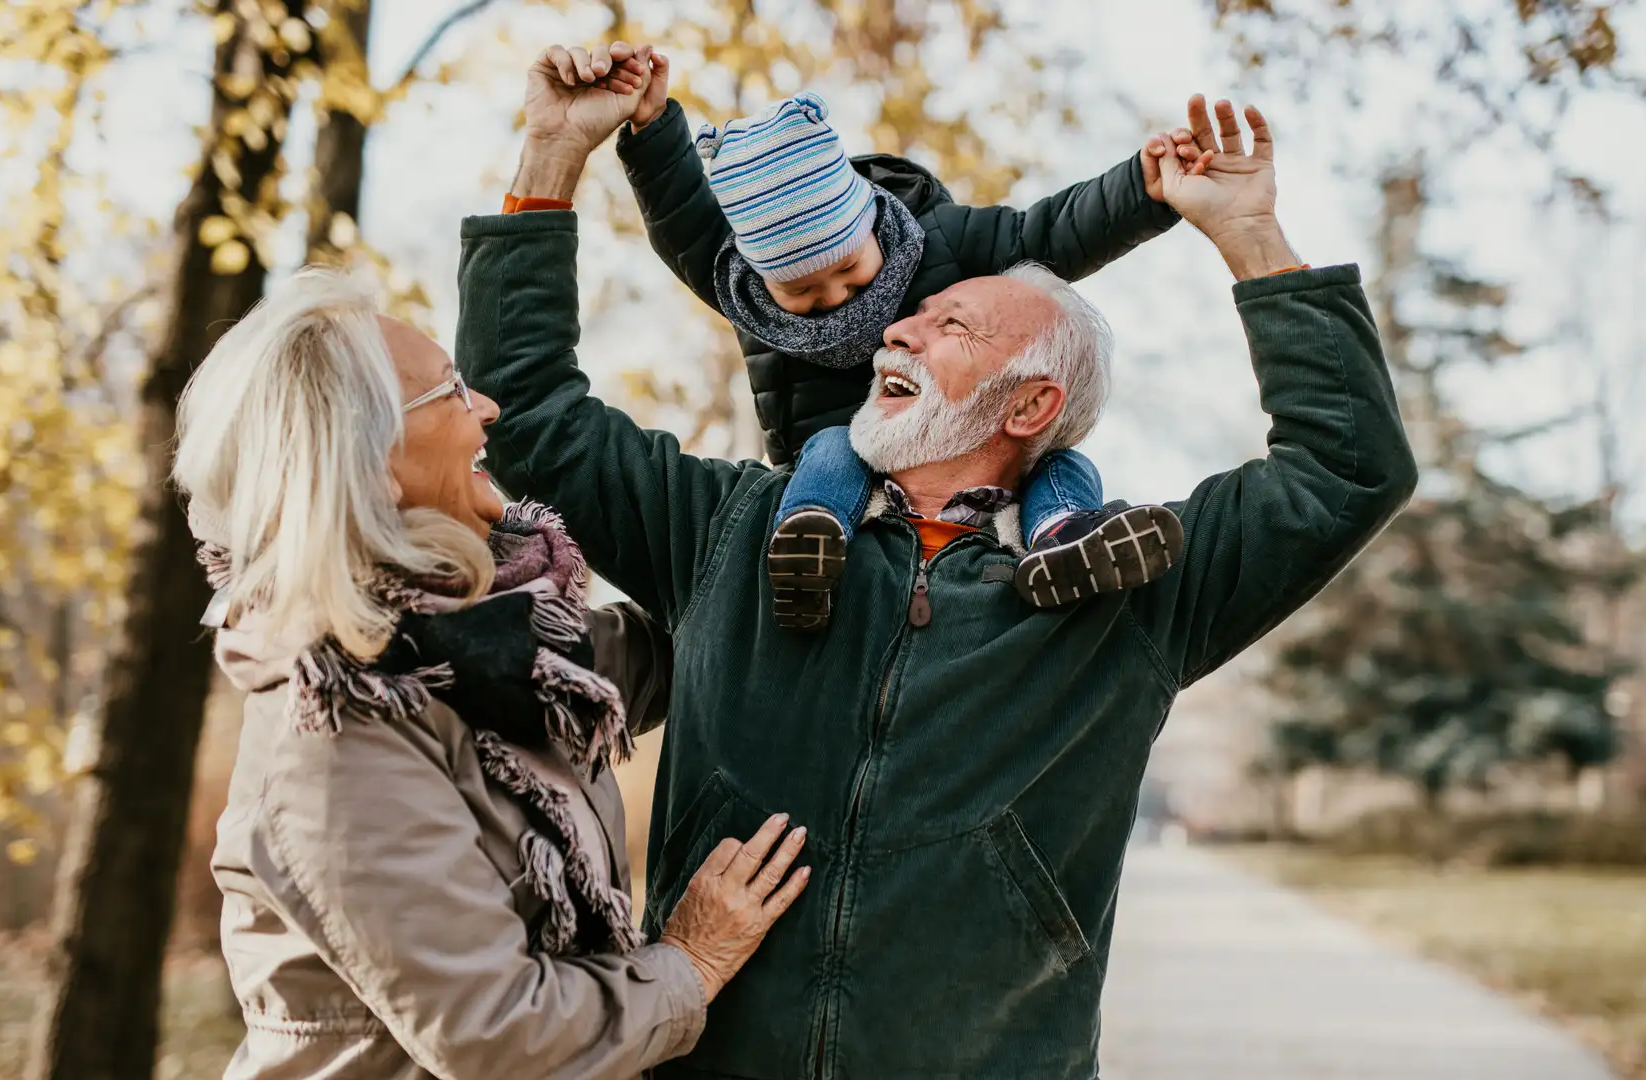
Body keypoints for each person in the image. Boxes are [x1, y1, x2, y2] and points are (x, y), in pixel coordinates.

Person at [465, 40, 1418, 1080]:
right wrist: (553, 155)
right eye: (906, 319)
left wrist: (1249, 232)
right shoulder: (731, 534)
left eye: (947, 320)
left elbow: (1347, 470)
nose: (892, 337)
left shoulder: (1129, 591)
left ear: (1033, 403)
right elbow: (534, 413)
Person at [173, 270, 812, 1080]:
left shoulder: (471, 650)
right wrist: (692, 963)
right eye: (449, 391)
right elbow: (500, 1038)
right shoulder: (339, 735)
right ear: (373, 463)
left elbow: (663, 653)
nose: (485, 410)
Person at [612, 51, 1201, 628]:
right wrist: (651, 128)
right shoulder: (748, 297)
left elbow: (1050, 232)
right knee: (829, 449)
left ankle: (1063, 538)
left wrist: (1142, 191)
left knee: (1059, 462)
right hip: (835, 475)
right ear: (758, 276)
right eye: (803, 290)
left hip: (959, 463)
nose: (834, 296)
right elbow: (683, 220)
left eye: (848, 270)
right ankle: (807, 546)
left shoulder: (941, 240)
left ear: (870, 220)